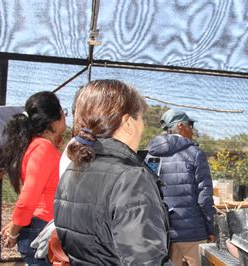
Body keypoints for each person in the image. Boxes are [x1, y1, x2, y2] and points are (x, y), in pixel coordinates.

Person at [54, 80, 169, 264]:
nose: (143, 126)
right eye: (141, 118)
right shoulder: (131, 178)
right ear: (128, 122)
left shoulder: (74, 168)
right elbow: (146, 260)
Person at [0, 91, 65, 265]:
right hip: (41, 230)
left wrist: (15, 222)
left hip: (39, 227)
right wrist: (15, 230)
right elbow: (29, 197)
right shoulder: (43, 149)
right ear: (54, 120)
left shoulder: (36, 146)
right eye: (63, 111)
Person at [146, 109, 215, 266]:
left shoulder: (152, 156)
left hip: (165, 234)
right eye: (190, 125)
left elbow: (148, 192)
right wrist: (211, 228)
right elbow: (204, 197)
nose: (192, 130)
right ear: (180, 126)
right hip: (194, 232)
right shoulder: (195, 154)